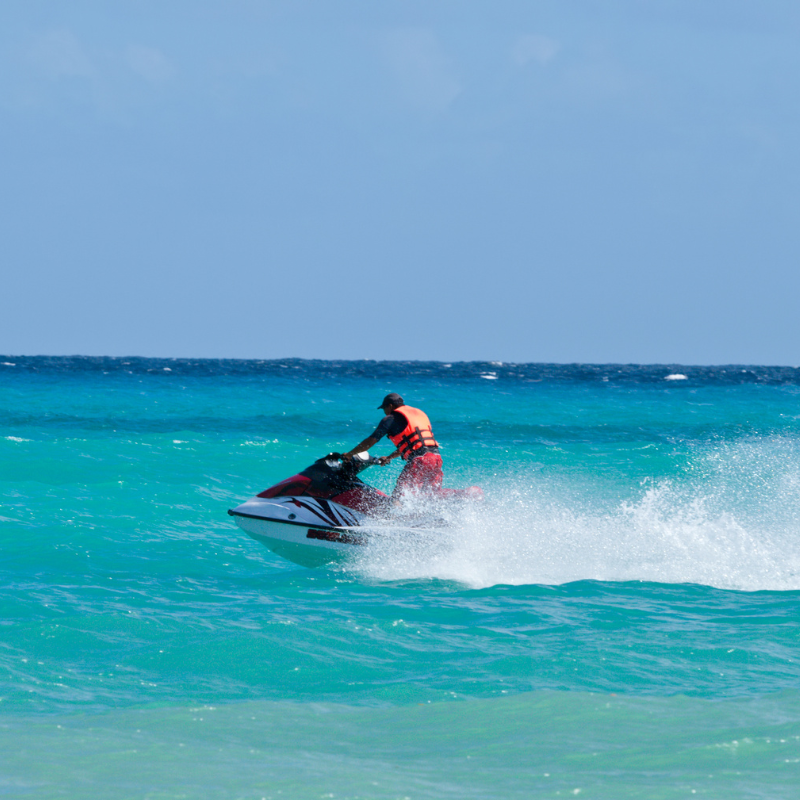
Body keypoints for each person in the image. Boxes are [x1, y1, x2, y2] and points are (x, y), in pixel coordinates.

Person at [342, 393, 446, 500]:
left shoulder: (391, 418)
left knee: (400, 495)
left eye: (384, 408)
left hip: (420, 460)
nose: (384, 412)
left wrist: (350, 454)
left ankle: (393, 515)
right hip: (436, 459)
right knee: (429, 496)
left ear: (390, 406)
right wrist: (389, 458)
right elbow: (413, 444)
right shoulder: (419, 414)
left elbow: (371, 440)